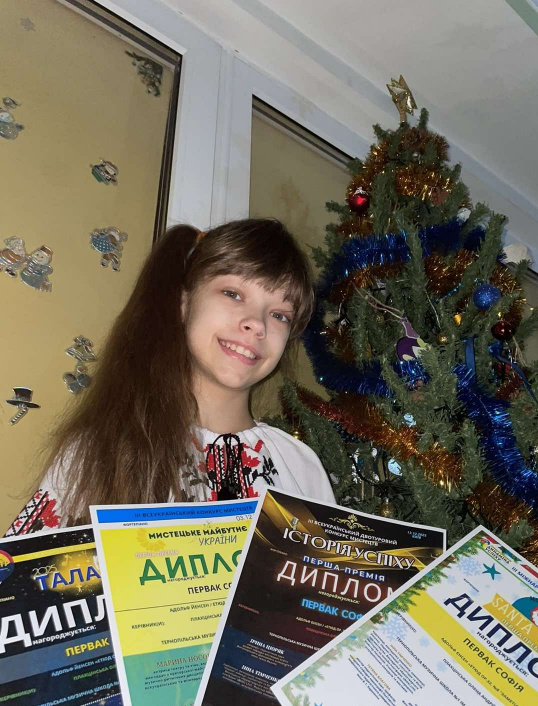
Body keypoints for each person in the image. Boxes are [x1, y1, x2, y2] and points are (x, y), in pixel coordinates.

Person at [6, 219, 335, 536]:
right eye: (233, 294)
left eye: (279, 315)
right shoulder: (96, 451)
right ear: (183, 303)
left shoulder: (300, 467)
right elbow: (18, 571)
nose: (258, 324)